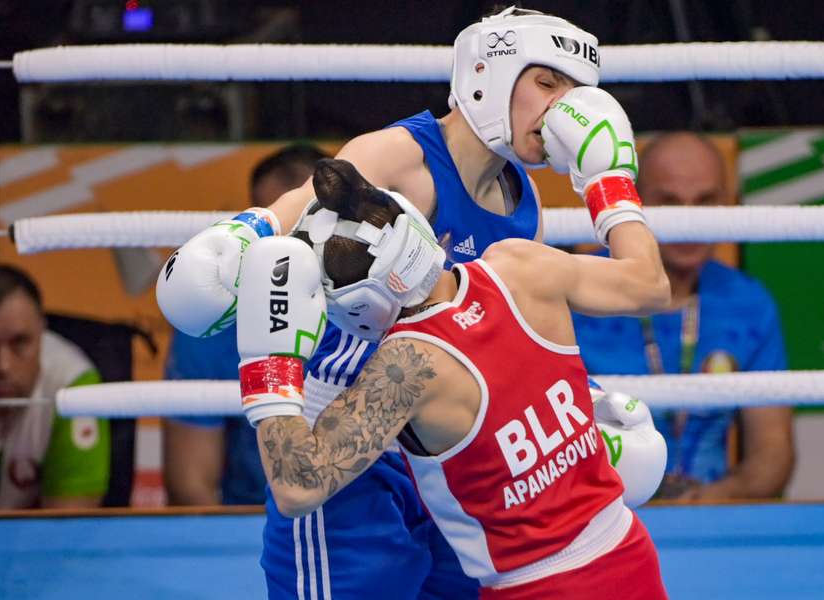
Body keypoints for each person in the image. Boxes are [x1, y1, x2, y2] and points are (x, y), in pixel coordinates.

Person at [157, 7, 640, 599]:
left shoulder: (525, 200)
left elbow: (508, 336)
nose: (562, 110)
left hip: (450, 452)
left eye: (575, 93)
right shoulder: (401, 155)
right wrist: (238, 238)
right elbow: (299, 207)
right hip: (341, 434)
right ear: (492, 74)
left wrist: (580, 407)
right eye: (546, 84)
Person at [235, 156, 670, 598]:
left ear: (356, 308)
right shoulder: (521, 265)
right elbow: (651, 283)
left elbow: (297, 485)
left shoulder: (407, 368)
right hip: (628, 552)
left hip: (537, 588)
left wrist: (268, 357)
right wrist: (606, 176)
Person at [572, 131, 795, 501]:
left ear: (725, 204)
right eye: (671, 201)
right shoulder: (578, 287)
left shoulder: (748, 303)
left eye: (704, 201)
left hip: (708, 525)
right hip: (596, 519)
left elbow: (772, 455)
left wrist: (706, 501)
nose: (688, 221)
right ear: (635, 203)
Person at [163, 142, 330, 506]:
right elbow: (191, 485)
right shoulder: (216, 318)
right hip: (253, 522)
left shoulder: (384, 302)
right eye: (278, 229)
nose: (289, 249)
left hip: (374, 519)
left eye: (306, 225)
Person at [0, 265, 110, 509]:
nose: (3, 366)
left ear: (42, 332)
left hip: (28, 545)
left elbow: (68, 536)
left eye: (20, 342)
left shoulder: (74, 387)